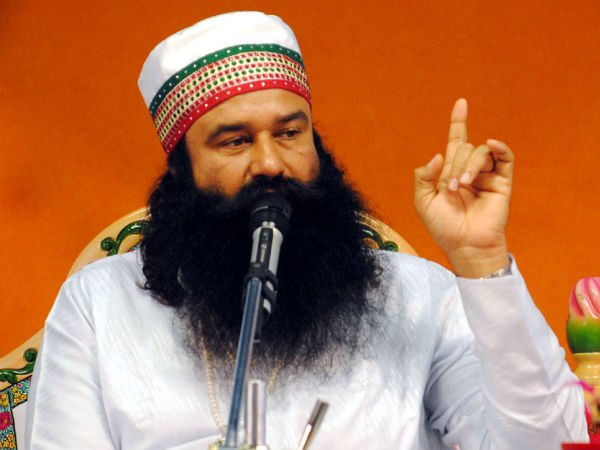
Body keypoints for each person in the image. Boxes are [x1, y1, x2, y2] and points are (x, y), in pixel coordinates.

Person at [25, 11, 586, 450]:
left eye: (290, 133)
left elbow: (549, 442)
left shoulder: (418, 297)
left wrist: (482, 261)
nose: (271, 163)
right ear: (181, 171)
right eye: (235, 141)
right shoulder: (99, 305)